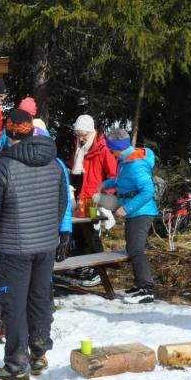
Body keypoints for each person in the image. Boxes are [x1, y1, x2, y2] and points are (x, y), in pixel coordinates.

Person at [0, 109, 68, 380]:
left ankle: (16, 364)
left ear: (8, 132)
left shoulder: (3, 167)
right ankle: (39, 354)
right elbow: (62, 204)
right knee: (40, 299)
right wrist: (51, 233)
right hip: (45, 245)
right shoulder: (54, 163)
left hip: (16, 247)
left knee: (14, 305)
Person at [99, 128, 158, 304]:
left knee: (136, 250)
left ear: (118, 147)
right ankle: (140, 285)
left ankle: (146, 290)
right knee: (132, 248)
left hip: (141, 212)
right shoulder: (126, 161)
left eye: (111, 149)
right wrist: (105, 184)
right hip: (135, 212)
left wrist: (126, 208)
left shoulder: (136, 164)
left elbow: (148, 190)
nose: (111, 152)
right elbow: (122, 181)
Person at [66, 114, 118, 286]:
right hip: (79, 195)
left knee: (92, 231)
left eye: (84, 134)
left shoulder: (103, 148)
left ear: (91, 132)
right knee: (78, 230)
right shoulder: (78, 147)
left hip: (95, 198)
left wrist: (105, 196)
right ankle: (84, 264)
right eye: (78, 134)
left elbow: (113, 175)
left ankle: (99, 269)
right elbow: (74, 170)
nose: (80, 137)